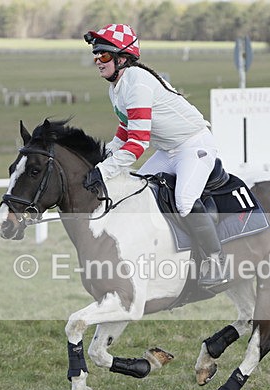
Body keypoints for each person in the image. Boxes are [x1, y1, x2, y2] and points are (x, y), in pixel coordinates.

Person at [82, 23, 228, 290]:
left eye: (104, 55)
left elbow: (137, 144)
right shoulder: (116, 87)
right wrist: (101, 161)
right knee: (137, 194)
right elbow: (125, 132)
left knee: (184, 201)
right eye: (96, 56)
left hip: (193, 146)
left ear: (122, 58)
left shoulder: (137, 82)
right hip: (167, 150)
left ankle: (215, 260)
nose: (98, 61)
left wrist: (103, 172)